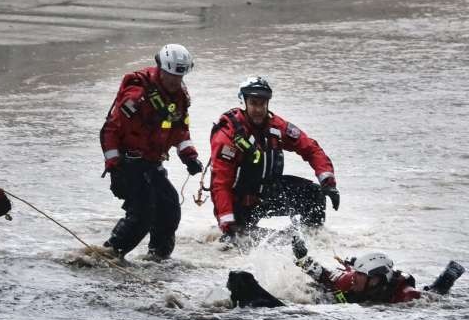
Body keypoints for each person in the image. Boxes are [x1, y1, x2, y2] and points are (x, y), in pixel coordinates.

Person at [99, 44, 203, 260]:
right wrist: (114, 166)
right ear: (160, 68)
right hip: (128, 163)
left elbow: (180, 130)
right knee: (142, 214)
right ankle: (109, 254)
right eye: (170, 75)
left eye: (179, 75)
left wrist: (190, 157)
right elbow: (109, 130)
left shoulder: (180, 96)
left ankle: (157, 258)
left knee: (170, 208)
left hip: (152, 163)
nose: (175, 80)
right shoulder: (137, 95)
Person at [209, 76, 339, 238]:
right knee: (238, 241)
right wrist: (227, 222)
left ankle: (312, 241)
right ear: (244, 103)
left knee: (314, 195)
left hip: (268, 194)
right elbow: (220, 184)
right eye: (254, 103)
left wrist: (328, 182)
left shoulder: (276, 126)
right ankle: (229, 233)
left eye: (262, 103)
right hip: (239, 202)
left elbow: (310, 149)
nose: (259, 109)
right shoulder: (228, 136)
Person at [290, 235, 465, 304]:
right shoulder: (350, 279)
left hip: (423, 293)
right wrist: (302, 258)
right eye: (356, 273)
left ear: (375, 280)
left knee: (437, 292)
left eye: (361, 275)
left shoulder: (407, 296)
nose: (354, 278)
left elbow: (433, 301)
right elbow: (324, 275)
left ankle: (451, 272)